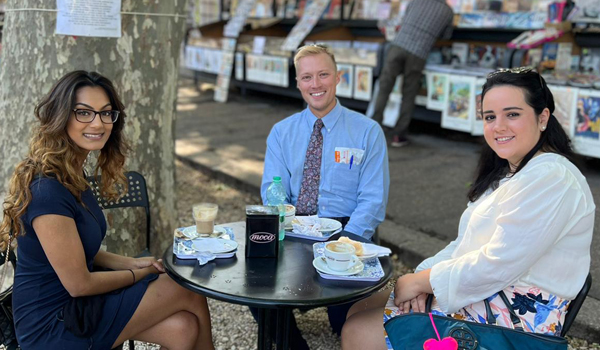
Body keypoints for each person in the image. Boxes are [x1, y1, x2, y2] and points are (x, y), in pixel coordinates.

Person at [341, 67, 595, 350]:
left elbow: (498, 263)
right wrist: (420, 278)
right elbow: (464, 245)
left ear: (543, 117)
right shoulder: (511, 172)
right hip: (486, 289)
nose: (498, 126)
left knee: (357, 330)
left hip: (515, 317)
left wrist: (424, 283)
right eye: (490, 117)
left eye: (512, 114)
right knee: (361, 307)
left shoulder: (552, 177)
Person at [0, 71, 214, 350]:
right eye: (84, 113)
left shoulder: (72, 176)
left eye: (105, 113)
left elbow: (76, 250)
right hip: (53, 326)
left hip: (78, 307)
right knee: (184, 288)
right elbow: (79, 283)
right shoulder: (47, 192)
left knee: (182, 328)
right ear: (61, 116)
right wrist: (142, 274)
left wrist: (131, 262)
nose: (98, 123)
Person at [257, 44, 390, 348]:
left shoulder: (367, 131)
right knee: (257, 286)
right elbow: (271, 190)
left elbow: (373, 198)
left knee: (347, 320)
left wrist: (348, 243)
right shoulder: (281, 132)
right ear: (298, 83)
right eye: (307, 77)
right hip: (295, 227)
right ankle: (294, 345)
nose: (315, 84)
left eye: (323, 74)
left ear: (338, 77)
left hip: (346, 229)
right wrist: (286, 224)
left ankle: (337, 306)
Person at [372, 0, 454, 147]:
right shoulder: (448, 12)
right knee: (408, 94)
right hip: (419, 53)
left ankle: (372, 130)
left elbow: (404, 20)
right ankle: (399, 135)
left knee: (384, 88)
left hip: (398, 46)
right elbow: (447, 35)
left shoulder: (416, 1)